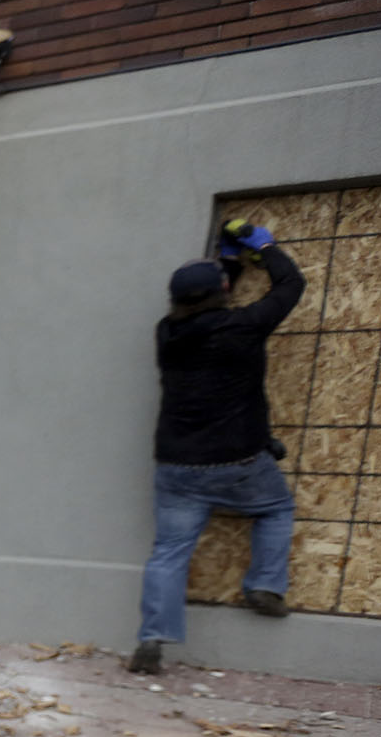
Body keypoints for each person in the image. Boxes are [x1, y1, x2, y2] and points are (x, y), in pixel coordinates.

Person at [128, 220, 304, 676]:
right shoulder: (245, 326)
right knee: (277, 509)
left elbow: (208, 296)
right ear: (223, 289)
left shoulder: (166, 333)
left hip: (176, 467)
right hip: (237, 463)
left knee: (169, 550)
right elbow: (291, 283)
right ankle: (264, 586)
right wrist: (264, 248)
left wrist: (227, 259)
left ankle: (151, 639)